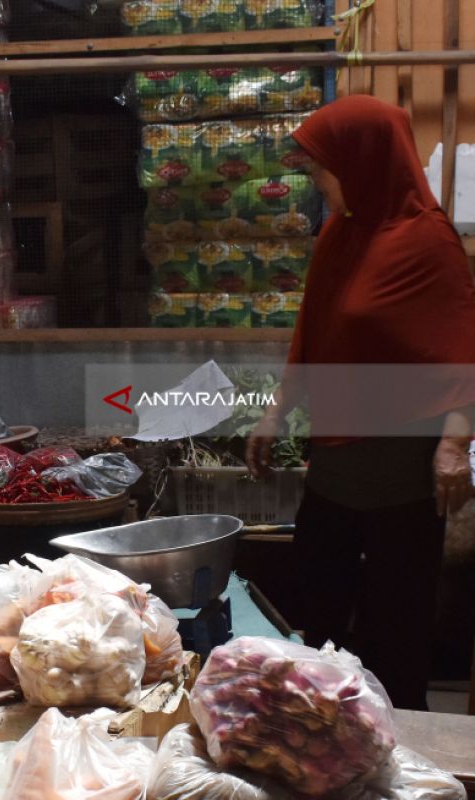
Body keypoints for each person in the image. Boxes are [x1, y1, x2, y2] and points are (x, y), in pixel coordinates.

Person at [246, 95, 475, 710]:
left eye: (323, 169)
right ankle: (319, 725)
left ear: (365, 160)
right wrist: (275, 413)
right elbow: (312, 333)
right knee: (316, 599)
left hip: (402, 465)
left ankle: (400, 739)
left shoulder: (429, 243)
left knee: (396, 617)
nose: (317, 183)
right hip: (337, 459)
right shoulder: (339, 236)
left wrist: (455, 445)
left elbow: (464, 353)